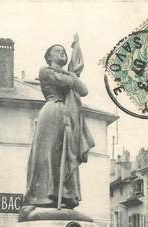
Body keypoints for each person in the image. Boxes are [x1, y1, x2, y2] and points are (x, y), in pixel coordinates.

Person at [24, 41, 95, 209]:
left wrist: (72, 74)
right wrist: (72, 74)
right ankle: (44, 195)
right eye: (57, 51)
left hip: (68, 115)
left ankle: (66, 195)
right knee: (49, 154)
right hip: (52, 112)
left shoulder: (66, 74)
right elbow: (71, 83)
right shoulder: (46, 71)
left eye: (64, 51)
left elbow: (84, 90)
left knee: (67, 153)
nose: (62, 53)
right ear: (49, 57)